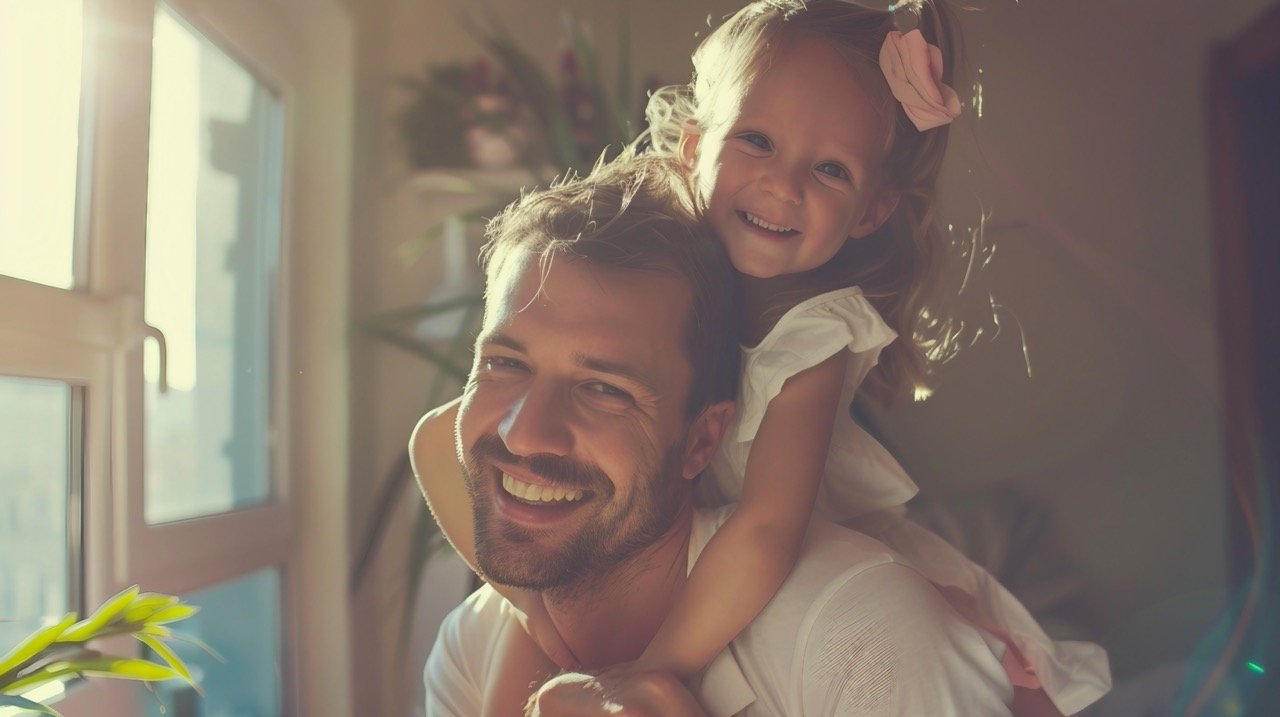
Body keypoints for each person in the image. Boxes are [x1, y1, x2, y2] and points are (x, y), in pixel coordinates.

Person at [418, 0, 1110, 714]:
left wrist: (650, 674)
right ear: (694, 148)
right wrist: (536, 601)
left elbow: (766, 531)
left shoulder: (815, 333)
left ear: (872, 211)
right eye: (756, 140)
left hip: (786, 545)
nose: (785, 185)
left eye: (833, 170)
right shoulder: (668, 276)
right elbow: (435, 439)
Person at [413, 153, 1022, 715]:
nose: (525, 437)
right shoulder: (473, 647)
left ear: (702, 441)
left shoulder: (860, 635)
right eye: (505, 364)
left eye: (605, 390)